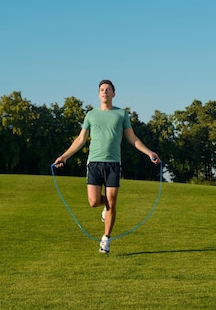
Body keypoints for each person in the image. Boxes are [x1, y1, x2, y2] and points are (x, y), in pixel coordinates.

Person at [54, 79, 160, 254]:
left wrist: (149, 152)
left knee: (112, 202)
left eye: (108, 89)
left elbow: (131, 138)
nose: (105, 92)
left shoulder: (121, 114)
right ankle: (104, 207)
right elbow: (80, 140)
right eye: (102, 89)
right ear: (98, 94)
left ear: (113, 94)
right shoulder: (91, 115)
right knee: (94, 201)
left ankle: (106, 239)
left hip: (113, 164)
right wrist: (64, 157)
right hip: (94, 163)